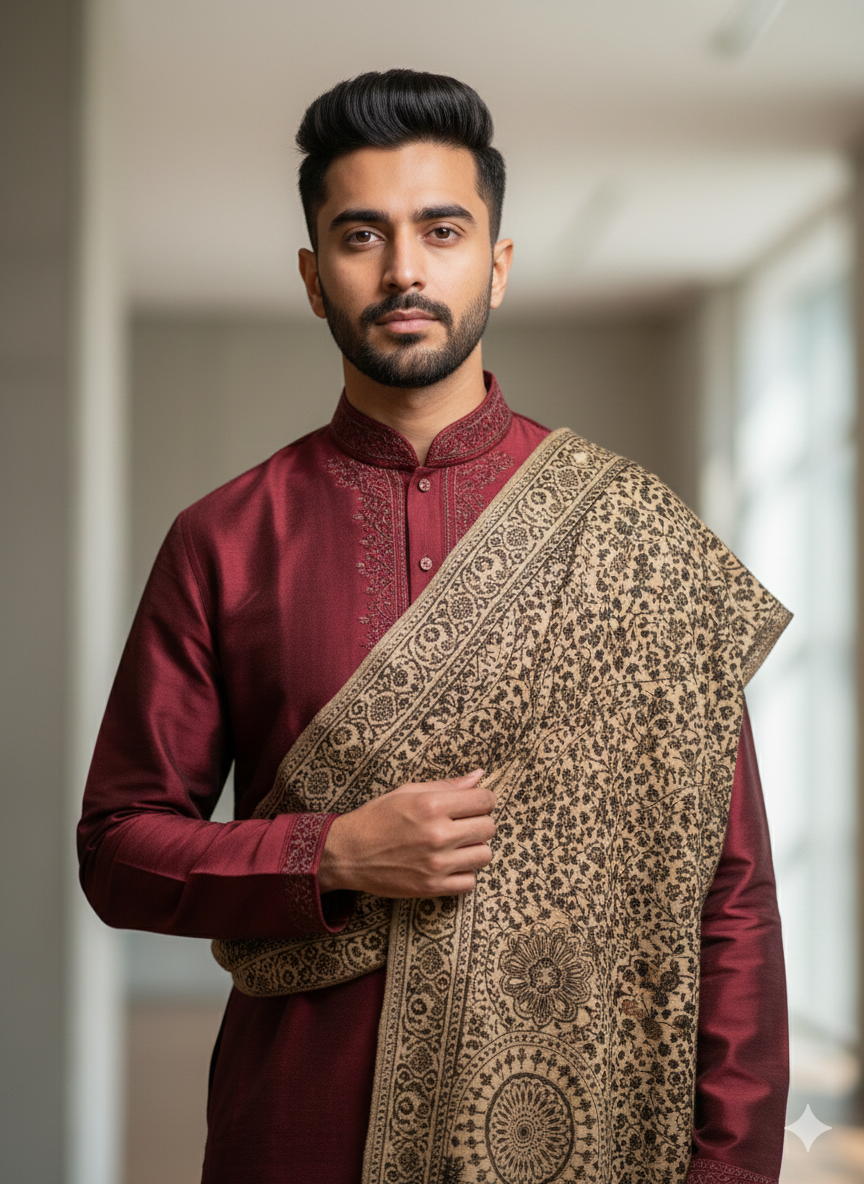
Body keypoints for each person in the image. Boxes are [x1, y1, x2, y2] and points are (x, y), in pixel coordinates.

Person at [78, 69, 790, 1184]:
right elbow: (117, 848)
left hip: (591, 1138)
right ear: (314, 279)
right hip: (298, 1134)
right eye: (362, 235)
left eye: (441, 230)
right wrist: (334, 852)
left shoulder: (636, 537)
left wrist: (733, 1168)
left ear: (496, 264)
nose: (404, 267)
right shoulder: (223, 539)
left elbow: (729, 888)